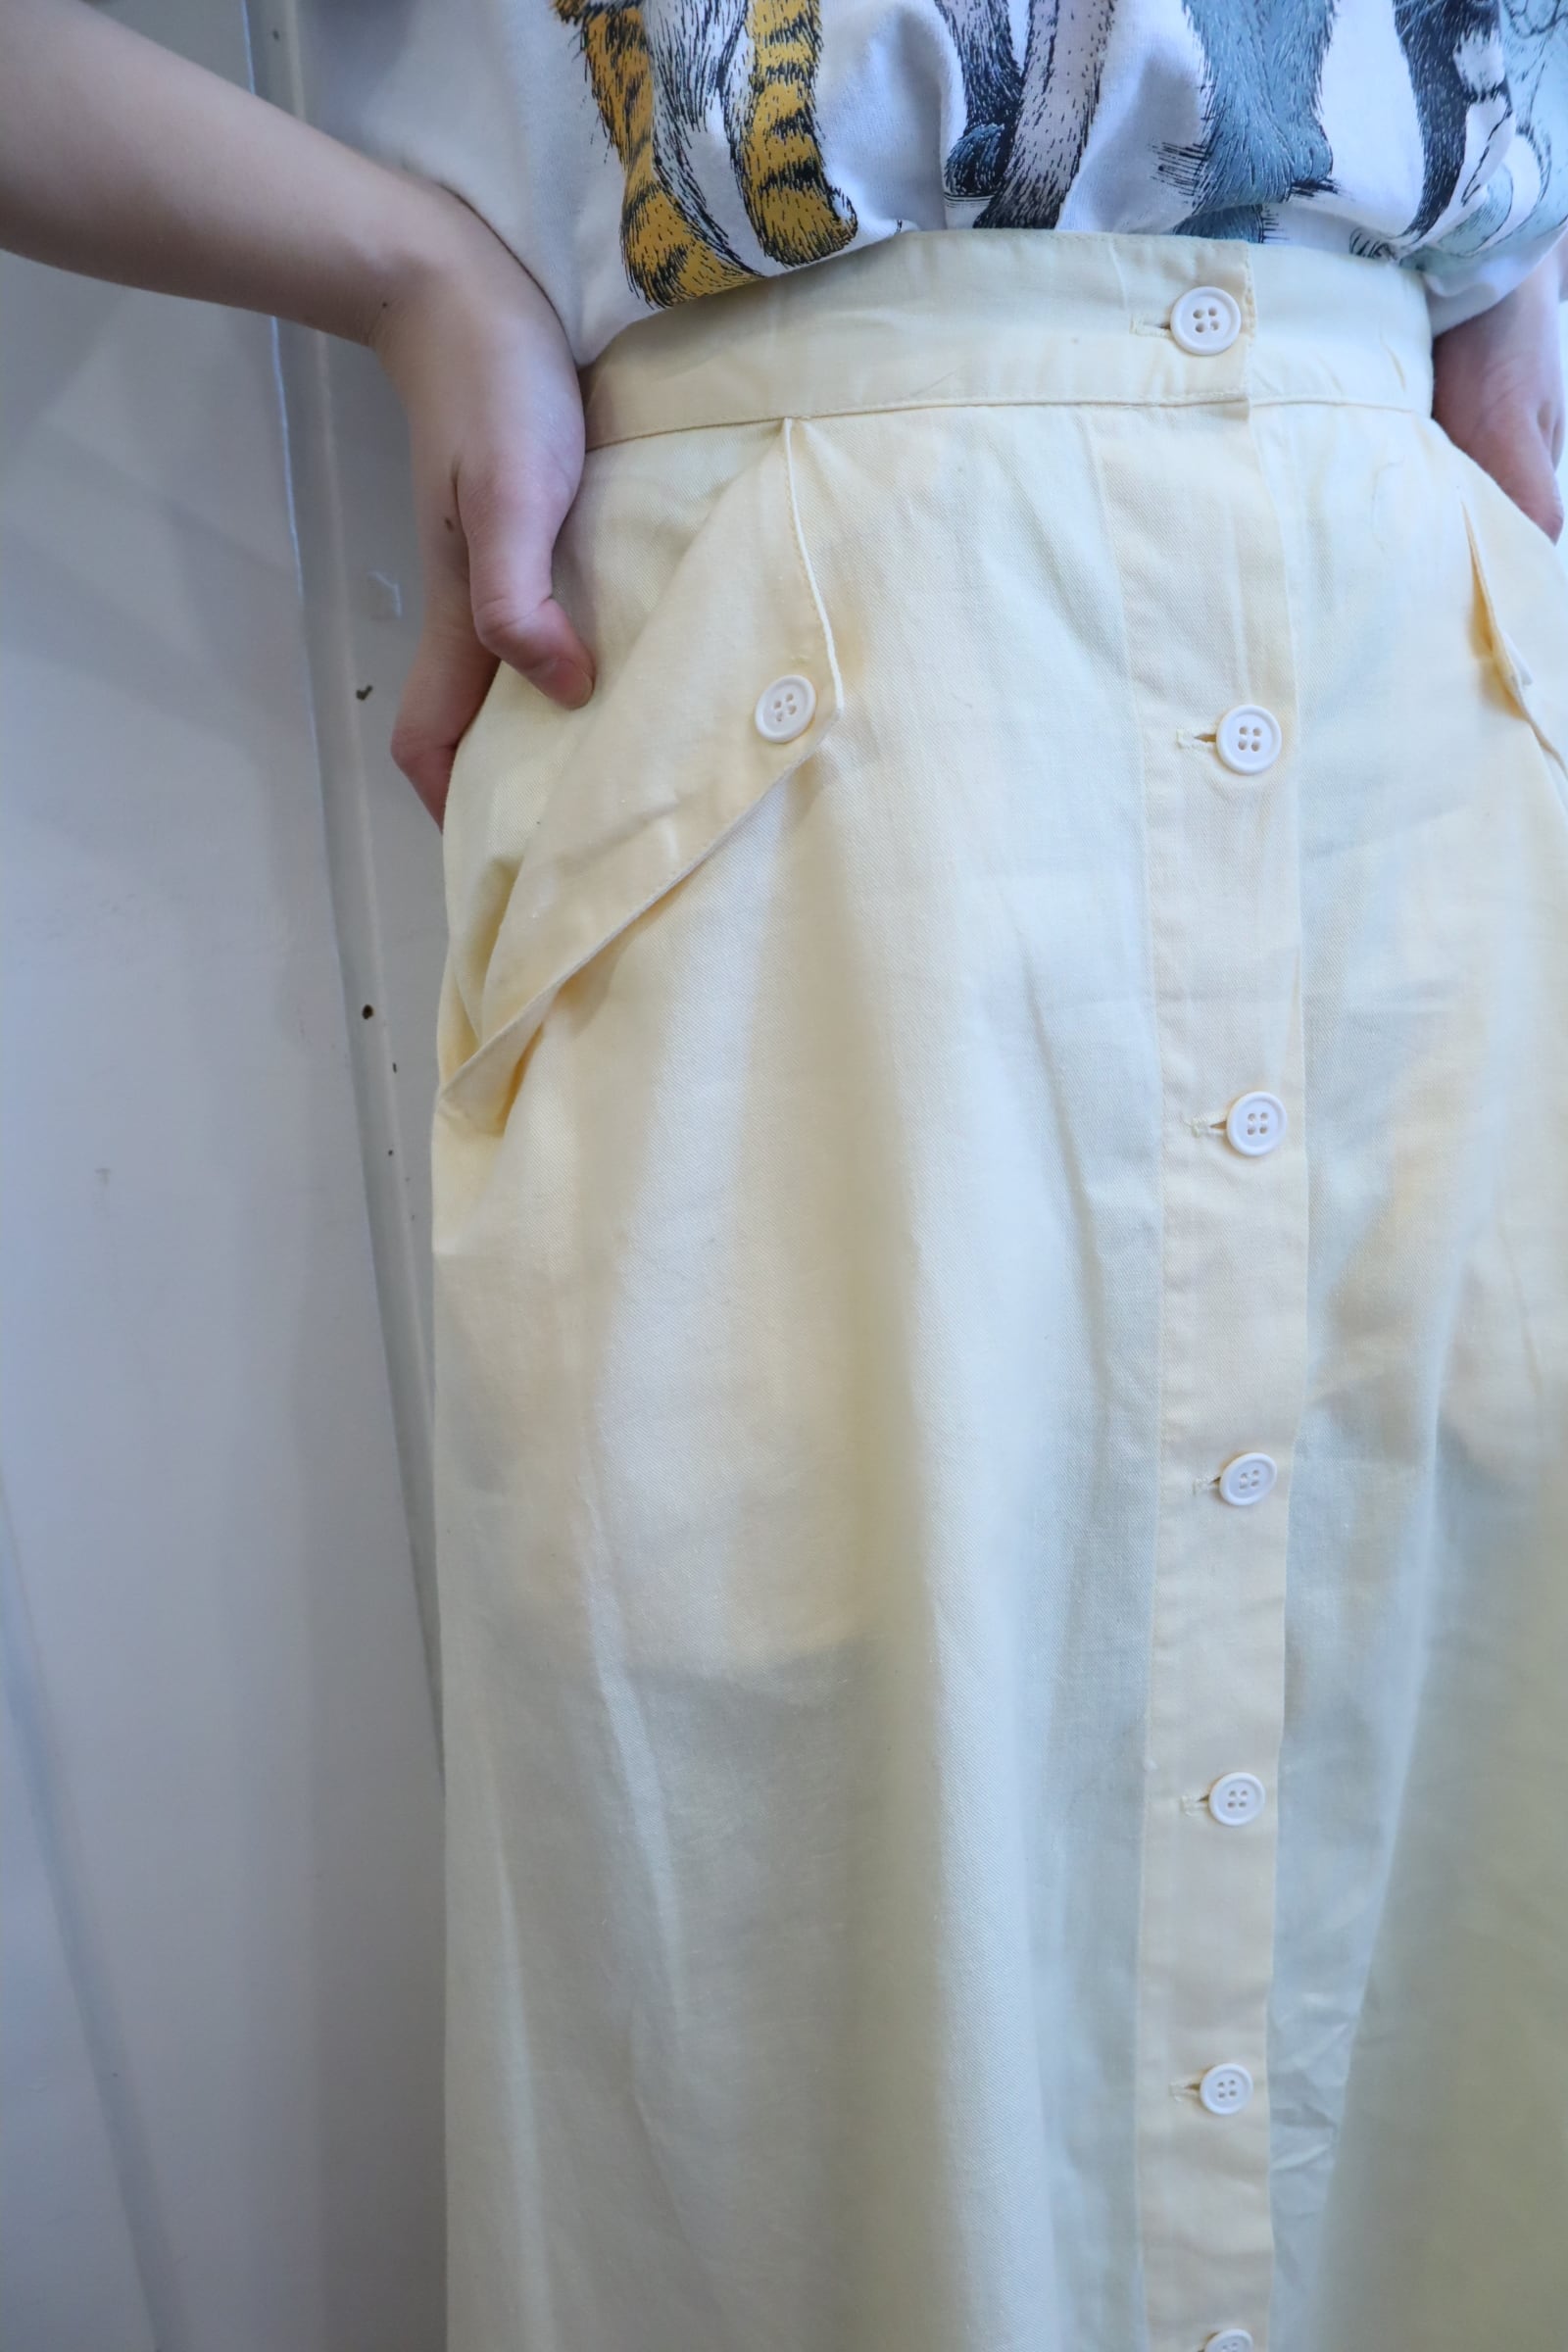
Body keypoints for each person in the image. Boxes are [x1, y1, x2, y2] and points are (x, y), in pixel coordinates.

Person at [4, 4, 1567, 2348]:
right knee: (787, 1928)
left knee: (1455, 1886)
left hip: (1424, 699)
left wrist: (1504, 241)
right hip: (798, 710)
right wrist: (412, 267)